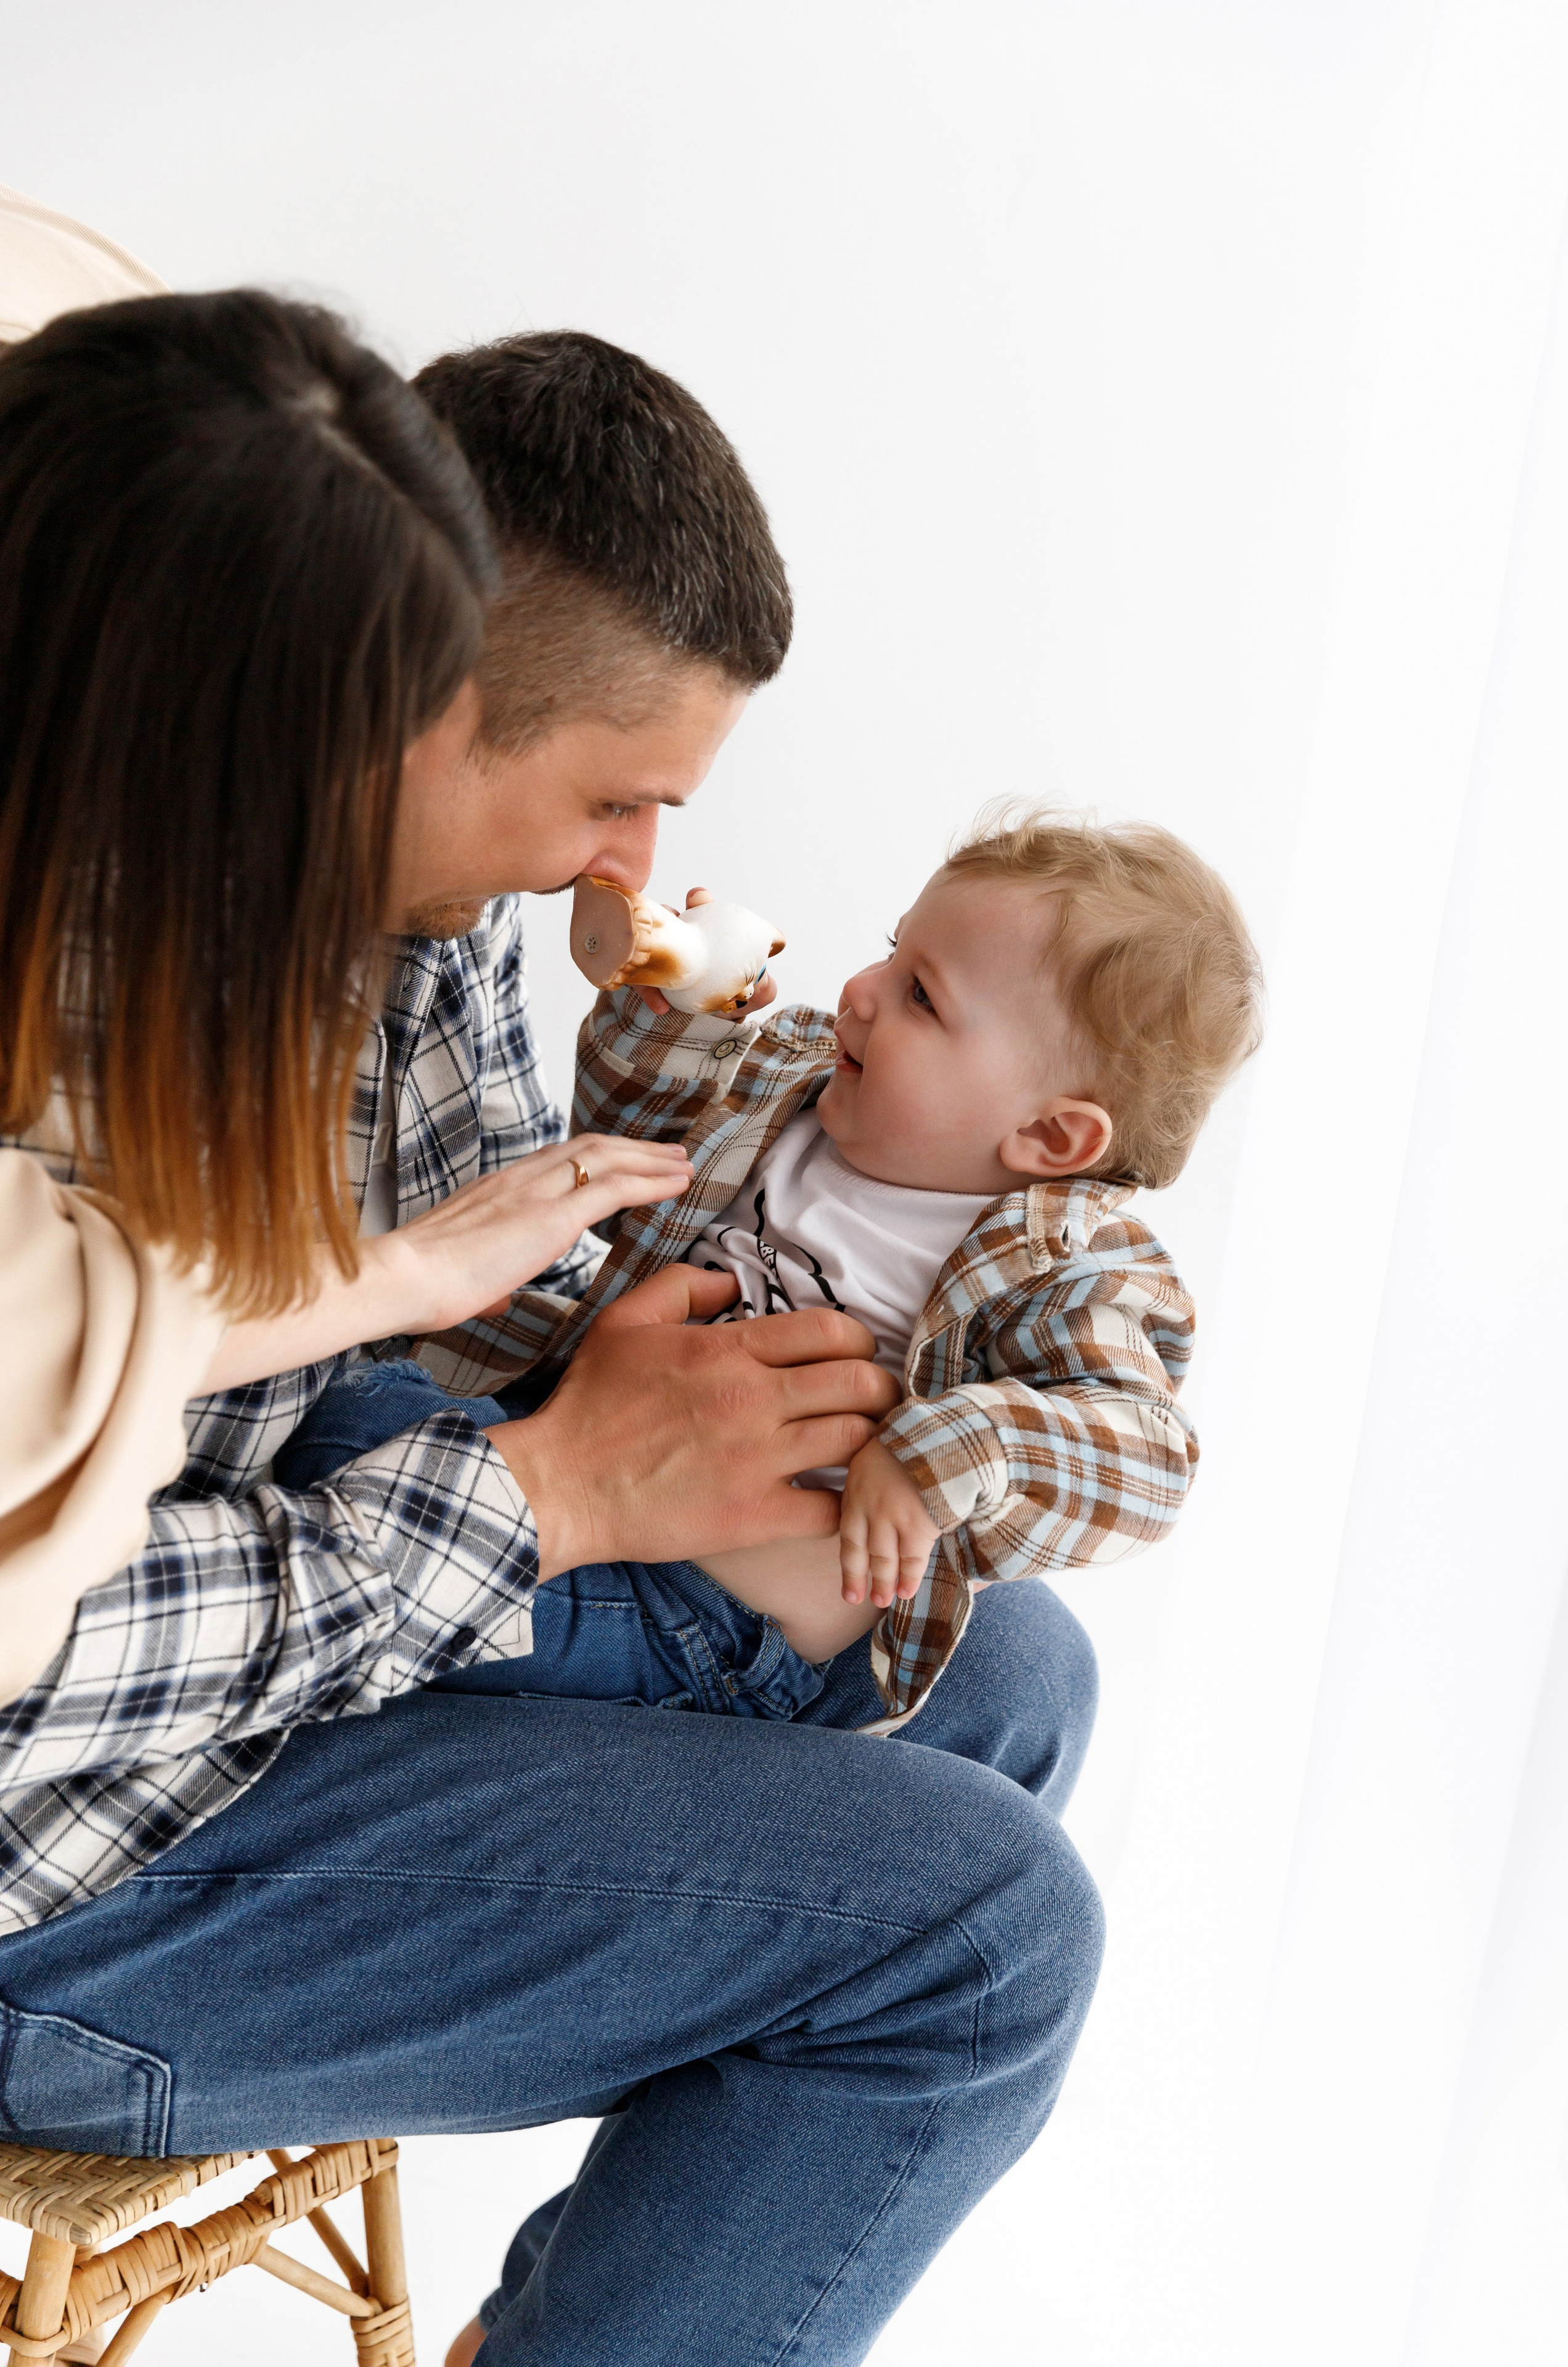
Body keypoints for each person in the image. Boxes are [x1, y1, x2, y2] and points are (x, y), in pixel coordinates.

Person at [0, 305, 1102, 2367]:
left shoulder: (410, 916)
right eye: (619, 798)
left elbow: (456, 1282)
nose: (637, 869)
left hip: (252, 1664)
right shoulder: (76, 998)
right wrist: (549, 1497)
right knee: (978, 1940)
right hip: (54, 1850)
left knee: (989, 1658)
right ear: (419, 700)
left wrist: (799, 1324)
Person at [285, 814, 1260, 1734]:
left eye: (922, 995)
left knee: (346, 1454)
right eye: (891, 948)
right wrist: (668, 1022)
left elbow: (1147, 1456)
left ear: (1049, 1135)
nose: (861, 990)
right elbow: (628, 1150)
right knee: (359, 1410)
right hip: (576, 1447)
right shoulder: (794, 1083)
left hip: (703, 1620)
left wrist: (938, 1460)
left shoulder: (1068, 1268)